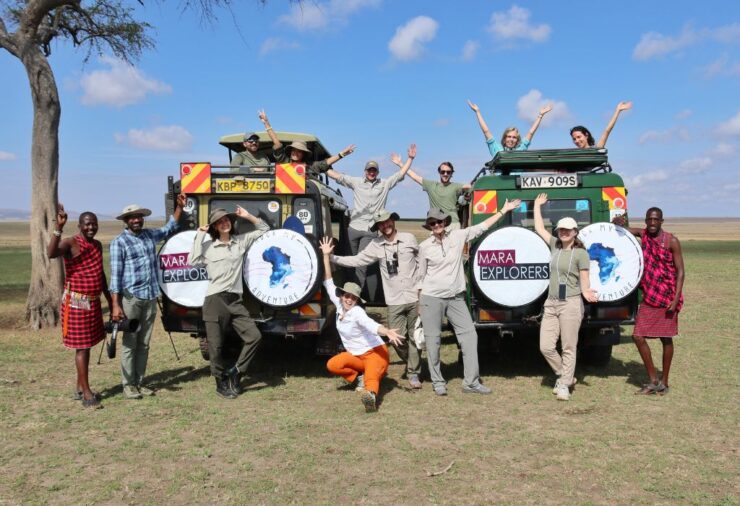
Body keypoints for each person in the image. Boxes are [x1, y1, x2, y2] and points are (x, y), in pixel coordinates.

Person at [417, 199, 520, 396]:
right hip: (431, 298)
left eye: (439, 222)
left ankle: (471, 382)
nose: (437, 225)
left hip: (456, 298)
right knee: (433, 340)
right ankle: (438, 381)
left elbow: (481, 227)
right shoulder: (424, 247)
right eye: (433, 223)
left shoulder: (458, 236)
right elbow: (420, 276)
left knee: (470, 336)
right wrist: (419, 302)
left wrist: (503, 210)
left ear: (445, 222)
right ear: (429, 226)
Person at [330, 209, 423, 389]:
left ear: (393, 221)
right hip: (394, 300)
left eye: (388, 221)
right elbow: (357, 260)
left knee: (416, 336)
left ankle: (413, 372)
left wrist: (422, 289)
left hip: (414, 296)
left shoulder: (409, 238)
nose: (385, 226)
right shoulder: (375, 244)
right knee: (399, 340)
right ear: (378, 227)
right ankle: (414, 360)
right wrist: (331, 257)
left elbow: (421, 262)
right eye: (381, 224)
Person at [109, 193, 186, 400]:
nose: (136, 220)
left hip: (150, 297)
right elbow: (115, 278)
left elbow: (169, 229)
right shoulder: (119, 243)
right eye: (132, 217)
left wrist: (179, 208)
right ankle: (128, 385)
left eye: (139, 216)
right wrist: (116, 306)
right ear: (126, 221)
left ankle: (140, 382)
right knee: (129, 343)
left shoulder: (149, 235)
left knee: (144, 343)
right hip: (131, 299)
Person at [188, 206, 270, 399]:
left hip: (235, 300)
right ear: (215, 227)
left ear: (231, 223)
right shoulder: (208, 247)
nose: (224, 223)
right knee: (215, 346)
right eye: (219, 222)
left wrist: (248, 215)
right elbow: (193, 261)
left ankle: (235, 372)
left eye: (226, 220)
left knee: (254, 336)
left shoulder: (239, 242)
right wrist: (200, 235)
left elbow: (264, 230)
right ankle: (220, 383)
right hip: (214, 299)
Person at [319, 237, 405, 412]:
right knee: (333, 365)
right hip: (357, 357)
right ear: (342, 296)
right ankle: (359, 378)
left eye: (353, 297)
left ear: (357, 300)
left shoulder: (357, 312)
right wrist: (326, 256)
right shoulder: (339, 304)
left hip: (376, 353)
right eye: (347, 296)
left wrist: (386, 331)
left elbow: (371, 325)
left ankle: (370, 397)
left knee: (372, 377)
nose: (349, 299)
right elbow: (328, 282)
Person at [533, 193, 598, 401]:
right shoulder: (555, 245)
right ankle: (565, 376)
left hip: (570, 302)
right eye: (561, 229)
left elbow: (585, 278)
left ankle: (563, 385)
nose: (563, 232)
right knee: (546, 346)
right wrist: (536, 206)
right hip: (551, 303)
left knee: (568, 346)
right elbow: (539, 229)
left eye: (568, 230)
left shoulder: (581, 254)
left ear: (575, 232)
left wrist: (586, 292)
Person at [614, 208, 684, 395]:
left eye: (656, 220)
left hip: (667, 296)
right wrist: (619, 221)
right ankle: (653, 380)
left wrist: (676, 298)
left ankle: (665, 382)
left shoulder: (672, 241)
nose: (652, 223)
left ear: (662, 220)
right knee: (638, 336)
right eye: (649, 220)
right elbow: (627, 229)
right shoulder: (644, 234)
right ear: (646, 221)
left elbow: (680, 271)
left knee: (665, 337)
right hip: (650, 295)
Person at [47, 204, 111, 409]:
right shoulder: (70, 243)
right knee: (82, 347)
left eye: (94, 224)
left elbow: (100, 274)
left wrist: (111, 301)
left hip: (93, 302)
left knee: (89, 344)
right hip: (76, 302)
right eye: (87, 224)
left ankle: (78, 385)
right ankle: (86, 393)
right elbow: (51, 253)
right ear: (80, 226)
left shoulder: (98, 245)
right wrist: (58, 227)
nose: (91, 227)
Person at [325, 144, 416, 287]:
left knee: (361, 264)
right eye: (369, 170)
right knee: (348, 261)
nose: (371, 173)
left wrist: (410, 158)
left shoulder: (384, 184)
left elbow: (400, 174)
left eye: (374, 170)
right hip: (353, 228)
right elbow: (336, 175)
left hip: (370, 230)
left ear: (377, 172)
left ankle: (357, 295)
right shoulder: (357, 182)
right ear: (365, 171)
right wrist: (323, 166)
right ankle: (347, 293)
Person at [258, 110, 356, 176]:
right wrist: (266, 123)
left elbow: (325, 163)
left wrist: (342, 154)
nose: (295, 153)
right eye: (294, 150)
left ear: (303, 154)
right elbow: (277, 144)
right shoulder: (284, 161)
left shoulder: (309, 166)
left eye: (299, 151)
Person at [467, 100, 553, 156]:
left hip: (516, 183)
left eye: (514, 137)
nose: (511, 139)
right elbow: (486, 131)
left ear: (517, 140)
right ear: (504, 139)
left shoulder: (521, 149)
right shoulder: (497, 149)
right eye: (509, 136)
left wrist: (540, 115)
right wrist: (477, 112)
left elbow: (531, 132)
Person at [405, 161, 470, 230]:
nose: (445, 174)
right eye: (443, 172)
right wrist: (400, 163)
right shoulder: (431, 185)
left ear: (451, 174)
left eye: (448, 172)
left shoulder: (456, 186)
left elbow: (470, 187)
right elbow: (415, 177)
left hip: (453, 224)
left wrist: (468, 193)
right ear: (439, 172)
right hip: (437, 224)